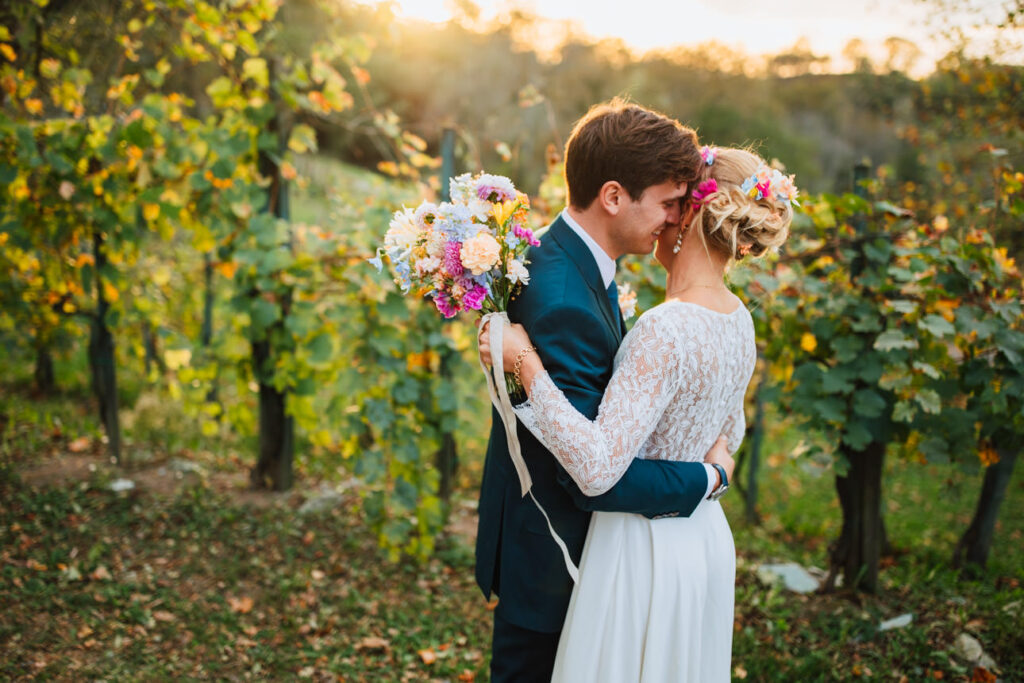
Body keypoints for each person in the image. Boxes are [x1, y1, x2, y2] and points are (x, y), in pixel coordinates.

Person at [480, 145, 795, 681]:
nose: (665, 216)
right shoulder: (740, 320)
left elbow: (599, 470)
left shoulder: (664, 328)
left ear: (693, 215)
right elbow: (730, 433)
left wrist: (525, 365)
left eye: (675, 202)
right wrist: (714, 472)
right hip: (701, 544)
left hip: (639, 551)